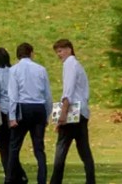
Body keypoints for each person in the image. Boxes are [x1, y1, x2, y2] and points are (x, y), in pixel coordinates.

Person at [7, 42, 53, 184]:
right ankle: (42, 179)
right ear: (31, 53)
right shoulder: (41, 69)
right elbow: (47, 95)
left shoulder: (14, 70)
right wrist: (47, 113)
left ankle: (10, 178)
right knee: (39, 148)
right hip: (39, 108)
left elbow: (13, 94)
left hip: (23, 107)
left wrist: (12, 116)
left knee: (14, 146)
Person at [51, 39, 95, 184]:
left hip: (72, 110)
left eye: (60, 50)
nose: (59, 54)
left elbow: (67, 91)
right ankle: (91, 180)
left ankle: (55, 181)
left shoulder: (69, 64)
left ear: (69, 49)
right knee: (84, 151)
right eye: (57, 52)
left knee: (61, 149)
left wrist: (62, 115)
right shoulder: (78, 65)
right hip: (82, 111)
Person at [0, 47, 22, 184]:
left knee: (3, 147)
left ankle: (10, 176)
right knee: (13, 147)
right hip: (17, 112)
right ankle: (18, 175)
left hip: (3, 113)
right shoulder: (15, 73)